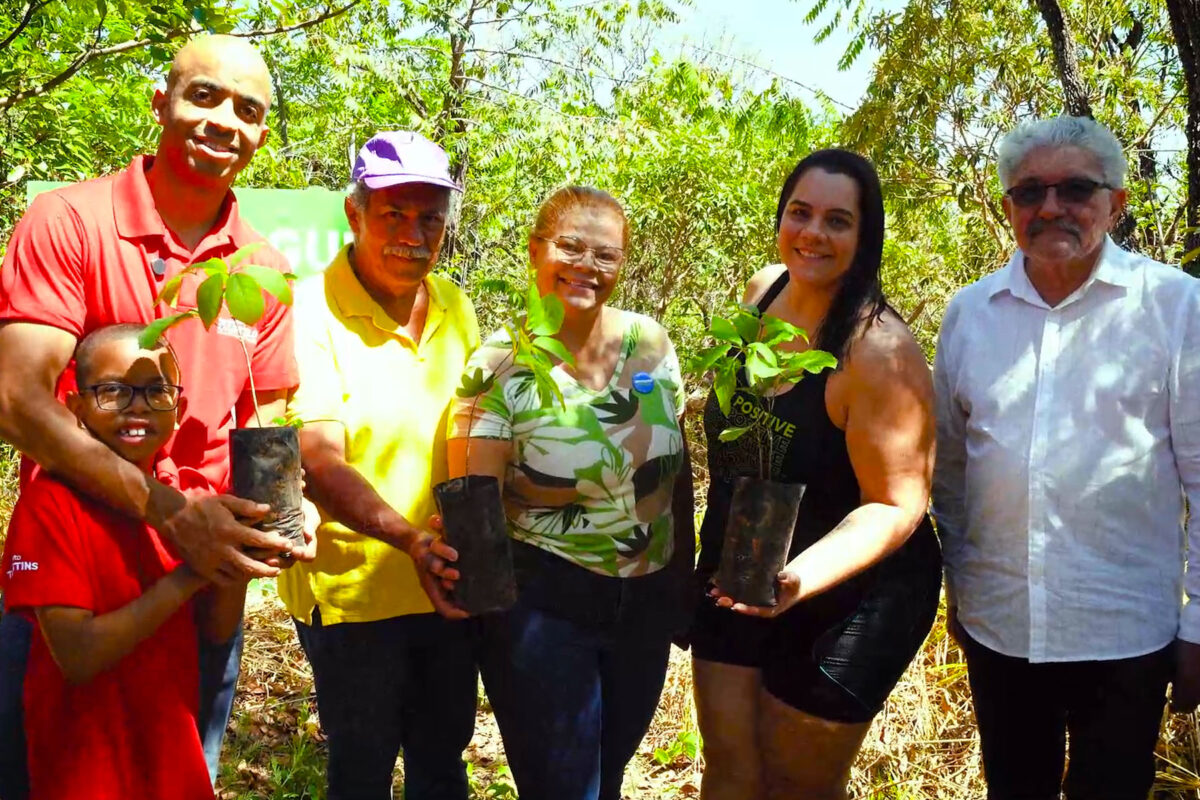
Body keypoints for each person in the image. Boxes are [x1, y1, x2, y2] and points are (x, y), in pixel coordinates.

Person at [0, 34, 307, 793]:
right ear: (160, 102)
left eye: (247, 109)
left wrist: (289, 516)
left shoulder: (262, 269)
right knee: (45, 769)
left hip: (202, 583)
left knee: (179, 774)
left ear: (262, 134)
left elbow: (266, 419)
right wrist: (172, 512)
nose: (223, 121)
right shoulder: (69, 219)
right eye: (204, 95)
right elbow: (16, 400)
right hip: (75, 569)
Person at [932, 115, 1200, 800]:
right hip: (1001, 630)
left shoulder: (1176, 307)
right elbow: (952, 473)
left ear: (1117, 201)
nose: (1050, 207)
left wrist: (1198, 625)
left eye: (1076, 188)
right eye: (1029, 193)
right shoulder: (970, 314)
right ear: (1007, 209)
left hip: (1126, 634)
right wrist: (963, 591)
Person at [689, 149, 941, 800]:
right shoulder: (761, 291)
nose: (813, 234)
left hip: (853, 589)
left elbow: (897, 504)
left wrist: (798, 579)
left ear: (865, 236)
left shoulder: (876, 350)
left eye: (838, 221)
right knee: (732, 773)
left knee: (795, 783)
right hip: (747, 554)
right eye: (800, 213)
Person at [440, 185, 694, 800]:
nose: (587, 267)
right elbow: (473, 507)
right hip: (545, 608)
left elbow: (677, 468)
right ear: (536, 251)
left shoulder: (651, 342)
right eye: (570, 248)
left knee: (606, 779)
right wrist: (491, 630)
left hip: (643, 606)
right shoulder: (499, 363)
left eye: (605, 255)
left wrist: (681, 591)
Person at [278, 131, 480, 800]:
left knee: (442, 759)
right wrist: (410, 540)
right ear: (354, 213)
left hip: (445, 581)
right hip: (351, 593)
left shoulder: (455, 305)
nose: (414, 234)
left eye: (430, 218)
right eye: (393, 214)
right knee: (362, 766)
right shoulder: (310, 309)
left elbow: (474, 431)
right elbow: (318, 460)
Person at [2, 323, 247, 799]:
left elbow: (216, 633)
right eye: (113, 391)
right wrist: (190, 574)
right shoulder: (49, 504)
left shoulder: (190, 505)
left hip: (171, 769)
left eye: (156, 391)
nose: (137, 405)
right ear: (75, 407)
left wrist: (238, 556)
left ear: (179, 411)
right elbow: (77, 655)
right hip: (84, 775)